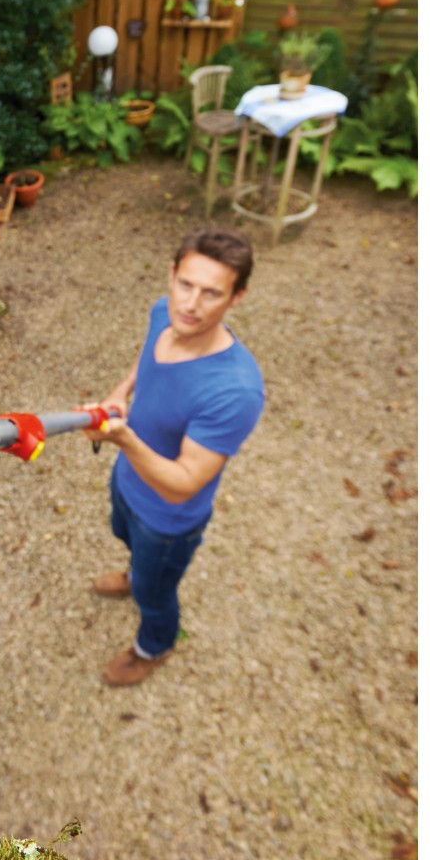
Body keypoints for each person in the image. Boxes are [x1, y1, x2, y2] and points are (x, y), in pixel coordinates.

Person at [87, 227, 265, 687]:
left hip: (167, 521)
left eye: (211, 293)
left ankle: (154, 645)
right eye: (185, 284)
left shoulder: (235, 391)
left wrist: (124, 439)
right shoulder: (163, 313)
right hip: (128, 481)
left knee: (156, 593)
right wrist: (121, 391)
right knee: (122, 533)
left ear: (237, 297)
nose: (190, 304)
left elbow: (184, 483)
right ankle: (135, 573)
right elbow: (147, 357)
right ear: (171, 274)